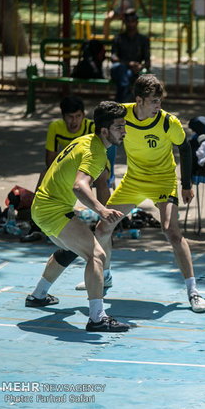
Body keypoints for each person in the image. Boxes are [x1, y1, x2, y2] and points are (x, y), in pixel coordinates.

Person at [74, 75, 205, 313]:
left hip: (163, 181)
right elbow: (100, 127)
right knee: (103, 227)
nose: (159, 106)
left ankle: (193, 291)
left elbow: (185, 148)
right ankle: (104, 276)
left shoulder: (168, 123)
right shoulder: (122, 115)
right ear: (139, 100)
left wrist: (186, 184)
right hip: (134, 179)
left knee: (172, 231)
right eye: (154, 101)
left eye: (160, 101)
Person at [25, 101, 130, 332]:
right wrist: (101, 210)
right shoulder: (95, 153)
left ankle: (38, 295)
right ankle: (97, 318)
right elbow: (79, 186)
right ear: (105, 131)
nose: (124, 131)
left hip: (41, 207)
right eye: (119, 127)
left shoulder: (84, 141)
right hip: (52, 210)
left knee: (72, 248)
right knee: (97, 255)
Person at [21, 96, 112, 242]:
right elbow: (50, 161)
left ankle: (106, 224)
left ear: (83, 116)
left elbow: (101, 160)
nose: (74, 121)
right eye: (70, 117)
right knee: (44, 173)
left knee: (102, 177)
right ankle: (36, 226)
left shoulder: (91, 127)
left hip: (93, 165)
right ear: (63, 117)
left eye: (78, 116)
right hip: (68, 166)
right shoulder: (55, 127)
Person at [110, 8, 151, 103]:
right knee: (120, 68)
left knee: (126, 74)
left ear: (137, 22)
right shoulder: (118, 38)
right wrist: (129, 64)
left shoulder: (143, 40)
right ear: (124, 22)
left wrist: (140, 66)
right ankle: (126, 95)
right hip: (119, 70)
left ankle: (120, 100)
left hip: (133, 72)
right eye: (128, 21)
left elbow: (148, 62)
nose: (130, 24)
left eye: (132, 21)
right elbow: (113, 58)